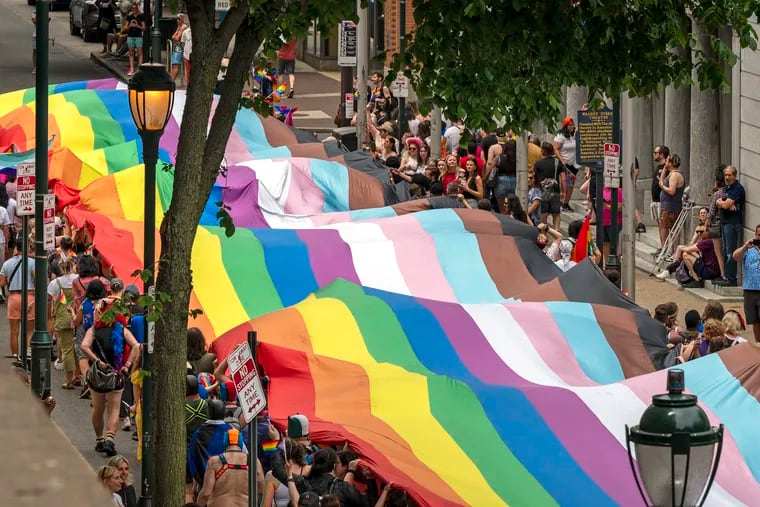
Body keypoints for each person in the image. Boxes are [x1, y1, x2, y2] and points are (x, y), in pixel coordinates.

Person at [80, 308, 141, 457]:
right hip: (116, 374)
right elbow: (137, 346)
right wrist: (127, 365)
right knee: (114, 408)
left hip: (99, 376)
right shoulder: (122, 330)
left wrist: (96, 361)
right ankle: (110, 438)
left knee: (98, 408)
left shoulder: (93, 330)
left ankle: (99, 439)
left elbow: (84, 346)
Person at [0, 238, 35, 363]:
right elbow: (37, 280)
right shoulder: (32, 262)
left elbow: (2, 282)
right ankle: (27, 355)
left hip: (13, 297)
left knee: (14, 331)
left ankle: (15, 356)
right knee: (30, 330)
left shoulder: (7, 263)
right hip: (29, 297)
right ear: (27, 248)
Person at [197, 429, 250, 506]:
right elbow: (261, 488)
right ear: (241, 443)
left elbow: (206, 493)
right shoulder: (252, 461)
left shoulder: (215, 462)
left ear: (225, 442)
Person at [47, 257, 78, 389]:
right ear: (73, 265)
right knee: (78, 349)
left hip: (63, 317)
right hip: (79, 315)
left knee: (67, 349)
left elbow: (50, 298)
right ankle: (78, 376)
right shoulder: (78, 280)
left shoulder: (56, 283)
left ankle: (69, 380)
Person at [714, 166, 745, 287]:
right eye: (726, 175)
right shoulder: (727, 188)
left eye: (729, 175)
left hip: (732, 223)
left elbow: (726, 205)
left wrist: (723, 203)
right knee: (726, 250)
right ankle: (726, 276)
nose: (727, 177)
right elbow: (720, 201)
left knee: (730, 252)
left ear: (735, 176)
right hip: (725, 221)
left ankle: (731, 278)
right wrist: (721, 202)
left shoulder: (737, 188)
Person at [733, 225, 760, 344]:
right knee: (754, 320)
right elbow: (735, 256)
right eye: (759, 234)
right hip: (749, 290)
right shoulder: (748, 249)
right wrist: (745, 247)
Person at [657, 153, 685, 256]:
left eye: (667, 160)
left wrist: (663, 187)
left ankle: (670, 250)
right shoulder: (671, 173)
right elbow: (662, 181)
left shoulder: (675, 175)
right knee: (664, 227)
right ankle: (666, 249)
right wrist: (664, 169)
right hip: (667, 206)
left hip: (671, 208)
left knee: (667, 228)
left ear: (671, 162)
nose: (665, 162)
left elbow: (672, 191)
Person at [534, 141, 566, 229]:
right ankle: (557, 229)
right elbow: (563, 178)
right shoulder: (557, 162)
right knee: (556, 213)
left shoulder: (538, 163)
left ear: (543, 151)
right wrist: (563, 192)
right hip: (555, 189)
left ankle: (544, 230)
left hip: (543, 190)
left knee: (544, 212)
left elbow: (535, 178)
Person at [553, 116, 579, 212]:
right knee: (566, 183)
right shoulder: (561, 136)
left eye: (573, 125)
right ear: (566, 126)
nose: (572, 126)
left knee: (571, 185)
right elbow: (555, 148)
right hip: (564, 164)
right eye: (570, 125)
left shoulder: (573, 136)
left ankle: (566, 203)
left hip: (572, 164)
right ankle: (562, 201)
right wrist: (562, 160)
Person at [171, 14, 189, 81]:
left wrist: (176, 35)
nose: (177, 20)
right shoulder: (179, 27)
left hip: (179, 47)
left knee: (176, 65)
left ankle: (172, 81)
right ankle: (171, 80)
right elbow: (172, 36)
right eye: (177, 19)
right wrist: (176, 33)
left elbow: (177, 38)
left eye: (178, 19)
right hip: (177, 47)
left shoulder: (183, 27)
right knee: (174, 64)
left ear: (182, 19)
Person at [181, 19, 193, 85]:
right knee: (188, 72)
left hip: (196, 55)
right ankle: (188, 87)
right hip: (187, 55)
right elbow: (183, 43)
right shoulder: (185, 32)